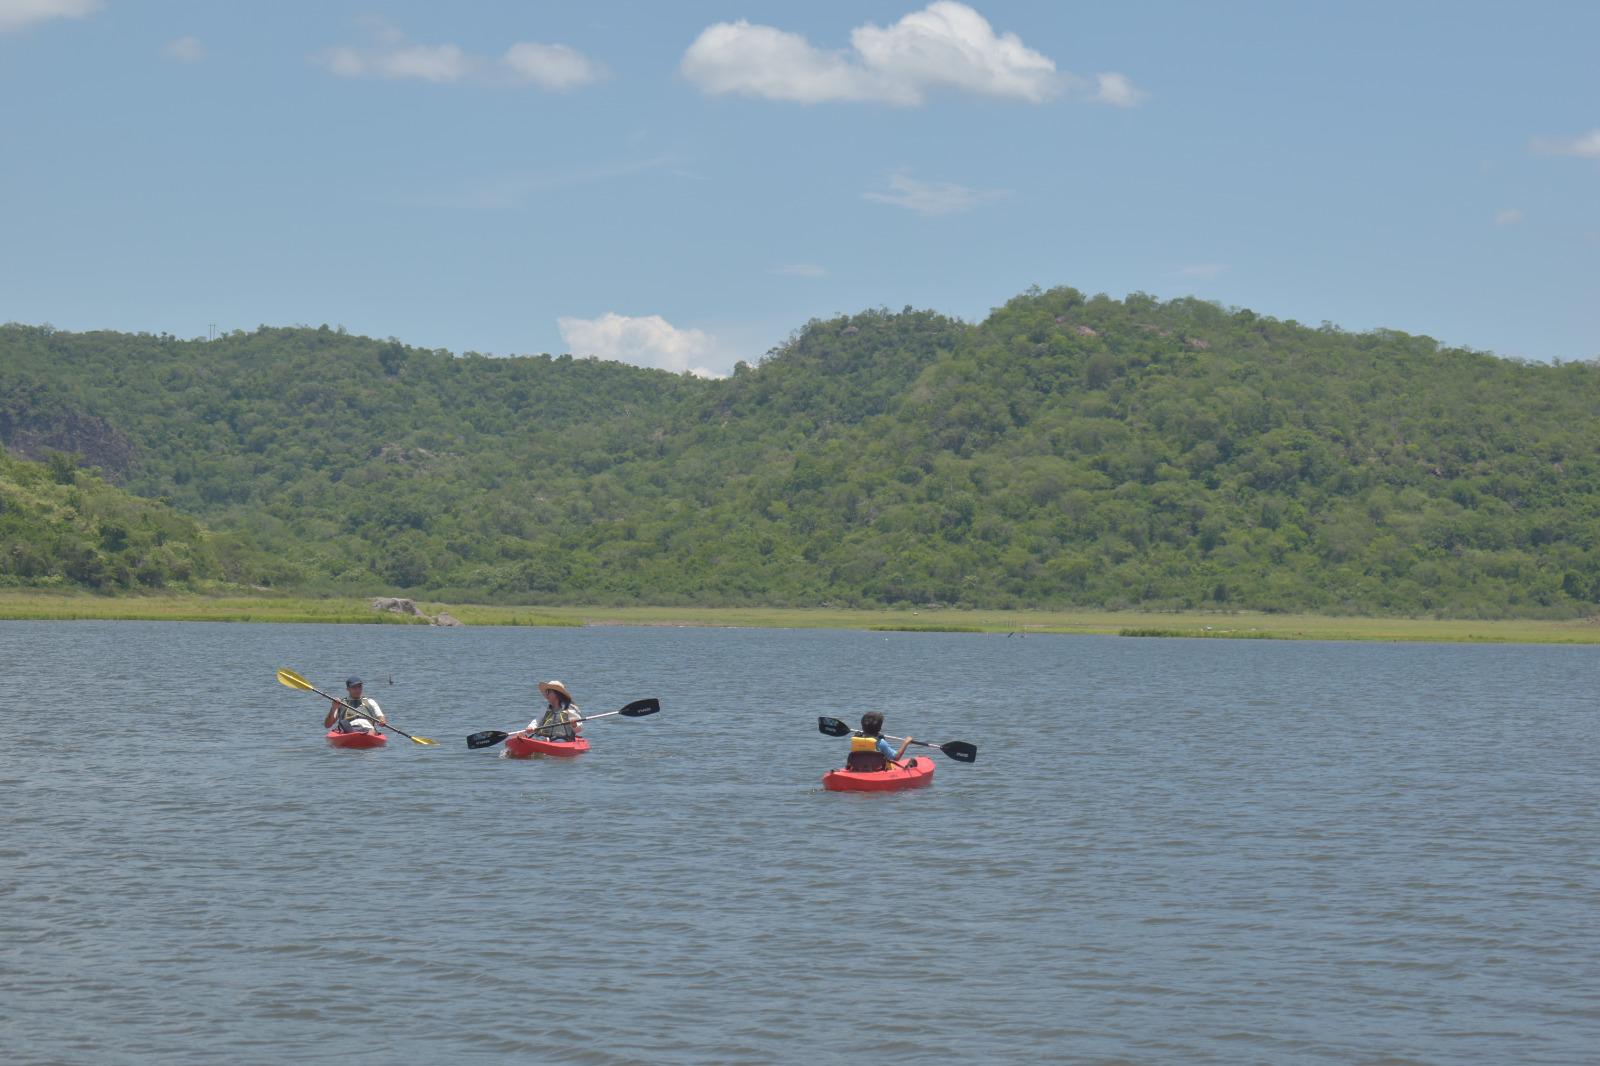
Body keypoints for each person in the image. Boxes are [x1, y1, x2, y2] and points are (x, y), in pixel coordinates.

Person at [512, 680, 583, 743]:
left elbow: (579, 728)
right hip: (544, 736)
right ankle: (530, 739)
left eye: (549, 692)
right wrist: (531, 727)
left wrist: (574, 724)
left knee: (558, 740)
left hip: (563, 738)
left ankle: (545, 741)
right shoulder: (546, 708)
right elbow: (537, 721)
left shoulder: (568, 708)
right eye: (546, 692)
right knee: (537, 737)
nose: (546, 695)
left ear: (557, 694)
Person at [846, 711, 913, 772]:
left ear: (862, 727)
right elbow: (896, 757)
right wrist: (905, 743)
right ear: (880, 728)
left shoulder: (856, 739)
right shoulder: (881, 742)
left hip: (858, 769)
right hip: (877, 770)